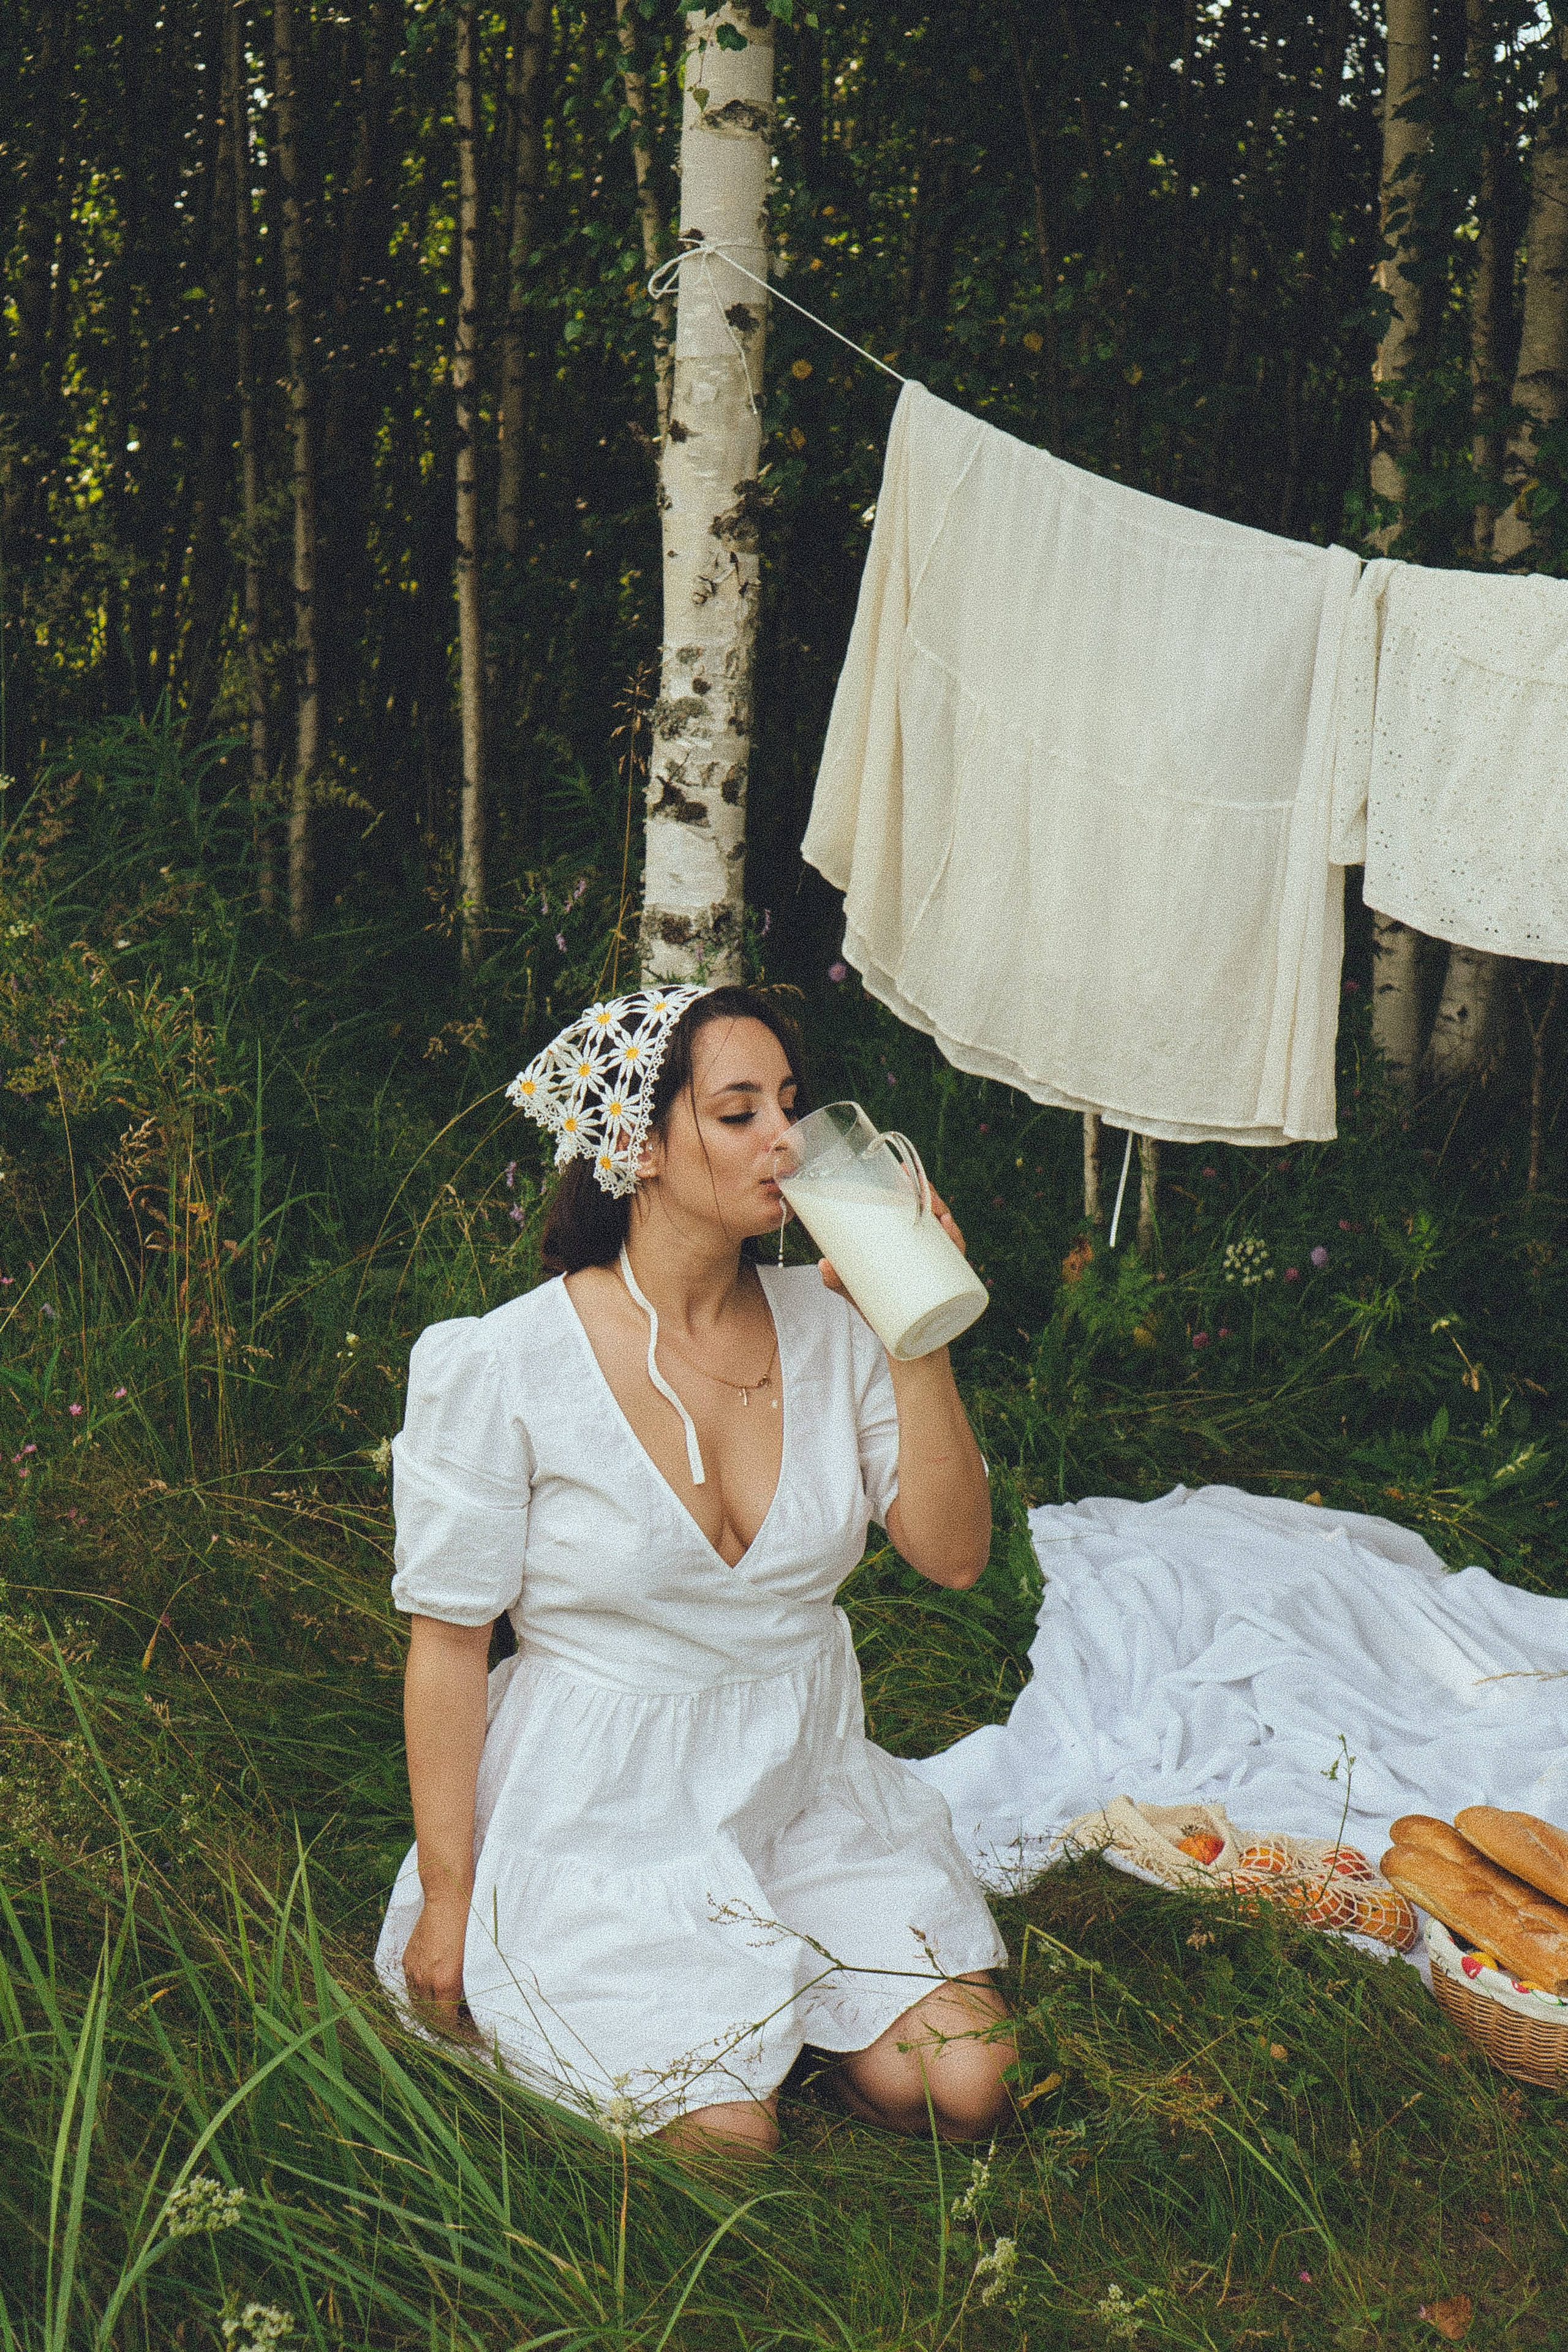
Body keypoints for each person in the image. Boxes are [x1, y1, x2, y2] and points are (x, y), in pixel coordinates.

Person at [375, 981, 1014, 2153]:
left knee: (965, 2084)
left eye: (790, 1103)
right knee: (725, 2145)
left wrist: (911, 1324)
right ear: (640, 1147)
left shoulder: (834, 1319)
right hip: (601, 1808)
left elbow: (956, 1557)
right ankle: (701, 2034)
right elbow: (450, 1646)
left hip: (798, 1789)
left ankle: (787, 2007)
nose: (786, 1139)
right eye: (737, 1113)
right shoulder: (506, 1362)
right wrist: (452, 1901)